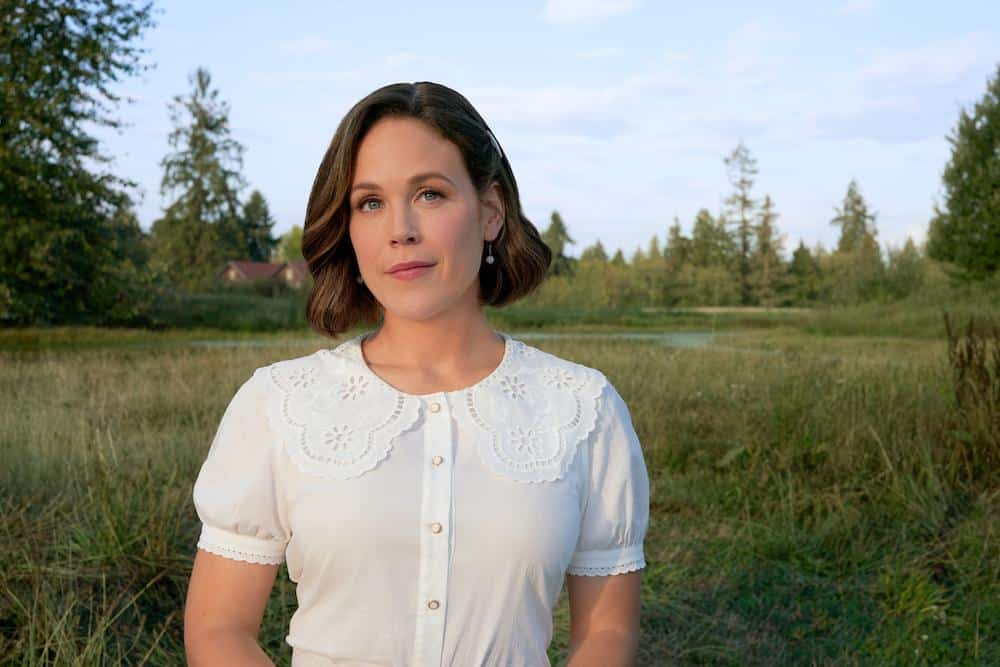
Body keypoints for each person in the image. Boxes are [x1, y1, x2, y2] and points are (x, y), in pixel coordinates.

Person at [183, 81, 650, 667]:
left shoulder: (584, 407)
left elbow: (605, 633)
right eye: (370, 202)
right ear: (348, 230)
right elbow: (219, 629)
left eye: (429, 194)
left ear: (489, 212)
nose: (399, 228)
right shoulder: (277, 404)